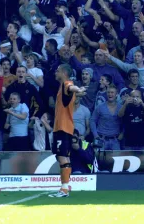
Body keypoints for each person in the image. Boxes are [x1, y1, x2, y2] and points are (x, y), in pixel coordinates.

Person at [49, 64, 87, 198]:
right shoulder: (62, 86)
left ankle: (64, 189)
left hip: (63, 127)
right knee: (63, 157)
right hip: (63, 127)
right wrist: (79, 91)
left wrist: (78, 89)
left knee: (62, 157)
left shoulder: (66, 83)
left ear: (64, 72)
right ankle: (64, 188)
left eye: (58, 70)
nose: (55, 72)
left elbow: (72, 87)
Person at [90, 84, 123, 150]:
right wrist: (96, 135)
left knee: (117, 160)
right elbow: (92, 120)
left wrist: (122, 133)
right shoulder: (100, 106)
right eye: (108, 92)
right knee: (99, 160)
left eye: (112, 92)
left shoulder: (121, 108)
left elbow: (125, 122)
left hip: (115, 140)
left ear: (116, 94)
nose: (110, 94)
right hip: (101, 139)